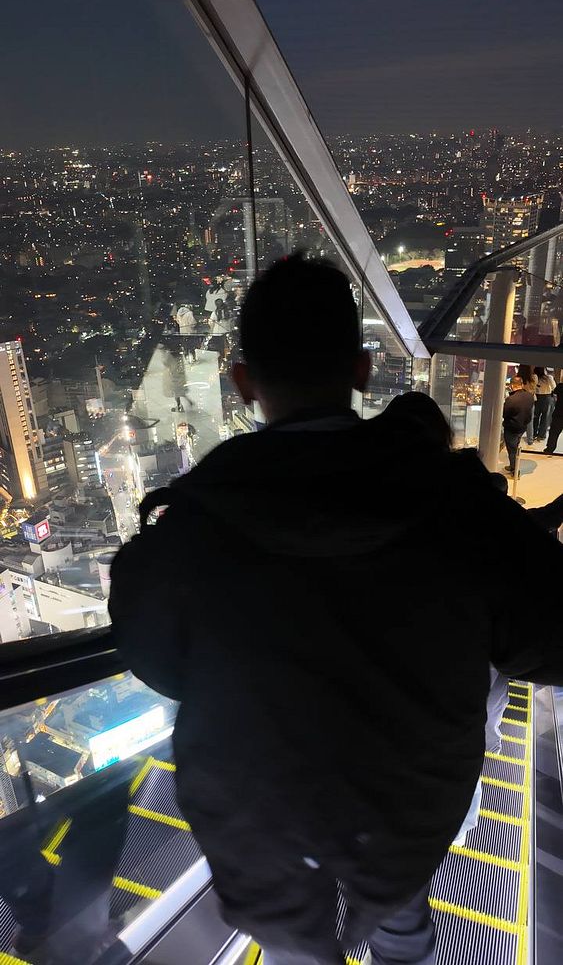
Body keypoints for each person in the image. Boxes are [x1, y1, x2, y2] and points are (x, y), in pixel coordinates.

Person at [110, 255, 563, 965]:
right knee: (400, 914)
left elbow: (156, 658)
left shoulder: (189, 530)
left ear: (242, 381)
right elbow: (550, 635)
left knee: (293, 943)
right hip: (405, 808)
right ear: (359, 370)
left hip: (257, 814)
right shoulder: (455, 507)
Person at [503, 376, 533, 475]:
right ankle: (513, 466)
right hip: (523, 427)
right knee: (515, 447)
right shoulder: (529, 396)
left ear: (512, 385)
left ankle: (514, 471)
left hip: (512, 428)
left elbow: (505, 414)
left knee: (512, 450)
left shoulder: (511, 399)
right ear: (522, 384)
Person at [534, 366, 556, 440]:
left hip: (536, 398)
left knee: (535, 417)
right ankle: (541, 435)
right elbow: (554, 387)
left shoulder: (534, 377)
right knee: (545, 418)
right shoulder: (548, 377)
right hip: (546, 397)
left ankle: (534, 434)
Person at [518, 365, 538, 445]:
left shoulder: (518, 378)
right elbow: (533, 389)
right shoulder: (534, 377)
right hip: (530, 399)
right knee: (530, 421)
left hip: (520, 399)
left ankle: (517, 438)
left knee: (519, 419)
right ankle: (530, 440)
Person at [544, 381, 563, 455]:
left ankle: (549, 449)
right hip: (558, 413)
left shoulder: (560, 386)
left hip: (559, 412)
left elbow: (554, 395)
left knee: (554, 433)